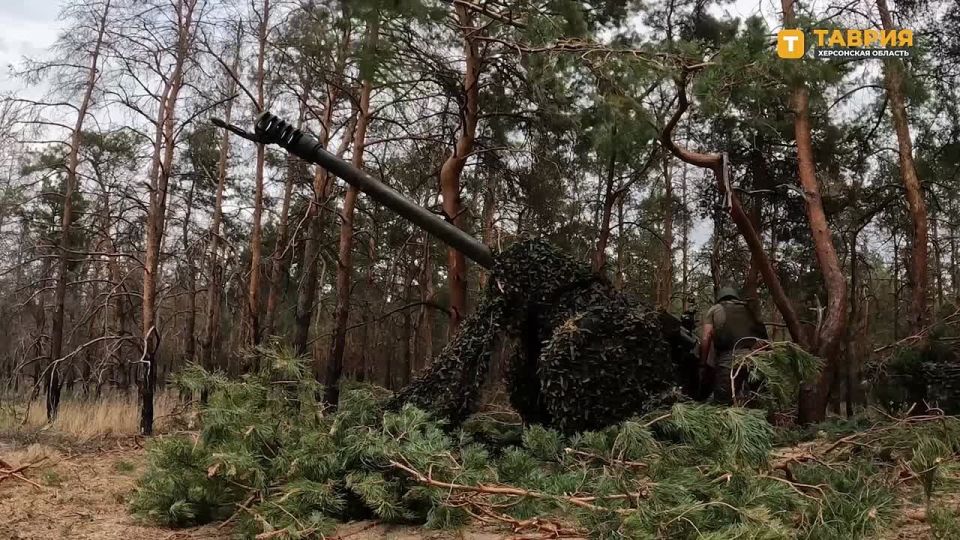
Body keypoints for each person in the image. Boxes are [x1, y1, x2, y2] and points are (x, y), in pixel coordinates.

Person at [699, 286, 769, 404]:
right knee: (761, 401)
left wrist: (702, 363)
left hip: (729, 361)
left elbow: (706, 338)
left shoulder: (715, 309)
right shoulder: (749, 309)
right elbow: (764, 337)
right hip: (756, 360)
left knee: (723, 405)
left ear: (720, 298)